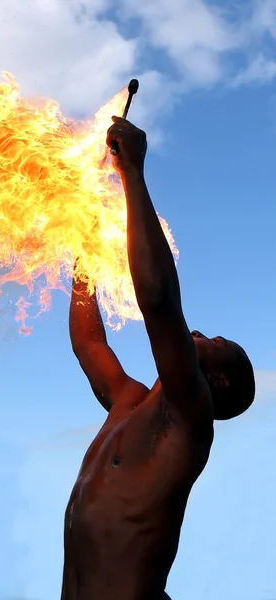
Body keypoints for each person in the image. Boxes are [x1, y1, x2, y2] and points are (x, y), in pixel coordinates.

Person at [62, 117, 255, 600]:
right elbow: (90, 346)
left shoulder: (190, 416)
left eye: (212, 340)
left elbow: (161, 303)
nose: (195, 332)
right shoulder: (129, 403)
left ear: (219, 381)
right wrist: (83, 261)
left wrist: (133, 173)